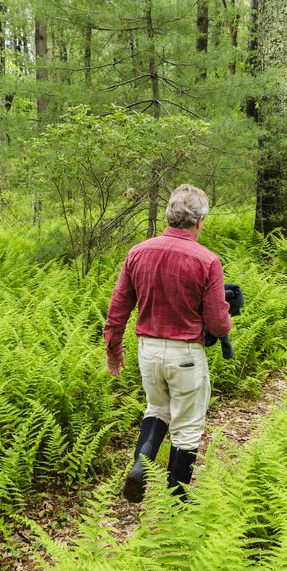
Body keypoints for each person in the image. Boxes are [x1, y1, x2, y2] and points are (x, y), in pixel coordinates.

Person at [104, 184, 231, 502]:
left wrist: (113, 348)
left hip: (148, 351)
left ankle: (139, 465)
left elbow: (119, 305)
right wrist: (226, 322)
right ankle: (177, 501)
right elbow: (216, 321)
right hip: (186, 354)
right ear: (199, 220)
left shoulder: (138, 252)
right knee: (187, 427)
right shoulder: (207, 261)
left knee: (157, 408)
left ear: (170, 215)